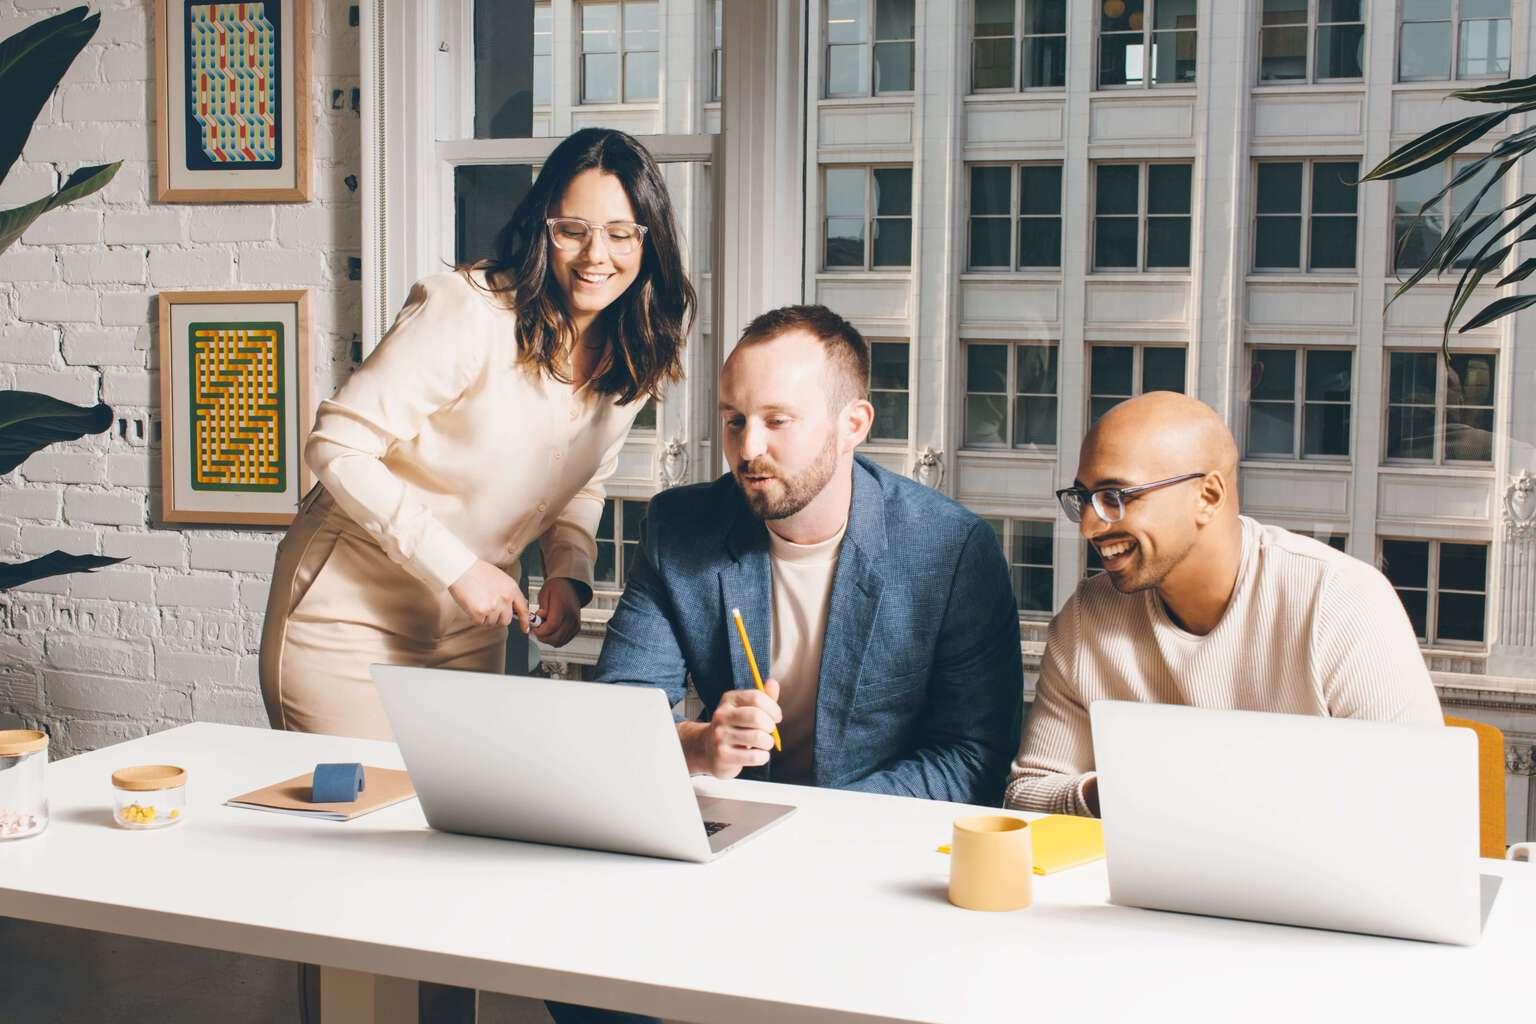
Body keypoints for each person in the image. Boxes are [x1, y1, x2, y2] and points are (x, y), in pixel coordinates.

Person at [542, 304, 1023, 1024]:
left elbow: (971, 758)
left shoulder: (950, 549)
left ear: (853, 424)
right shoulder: (683, 527)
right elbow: (621, 712)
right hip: (724, 854)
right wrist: (702, 745)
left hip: (873, 866)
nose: (747, 446)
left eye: (777, 420)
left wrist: (811, 827)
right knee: (581, 976)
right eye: (734, 419)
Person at [258, 127, 694, 742]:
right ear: (543, 229)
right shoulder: (468, 312)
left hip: (470, 629)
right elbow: (335, 444)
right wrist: (459, 567)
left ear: (649, 242)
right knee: (357, 825)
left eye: (621, 234)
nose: (597, 256)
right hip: (347, 621)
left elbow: (583, 475)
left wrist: (567, 571)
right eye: (573, 230)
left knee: (450, 827)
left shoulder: (634, 350)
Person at [1005, 391, 1443, 816]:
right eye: (1083, 499)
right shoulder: (1087, 618)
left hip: (1307, 887)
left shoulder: (1339, 599)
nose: (1089, 526)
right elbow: (1027, 795)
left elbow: (1417, 801)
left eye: (1115, 497)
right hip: (1147, 884)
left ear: (1208, 496)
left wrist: (1207, 790)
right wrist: (1132, 787)